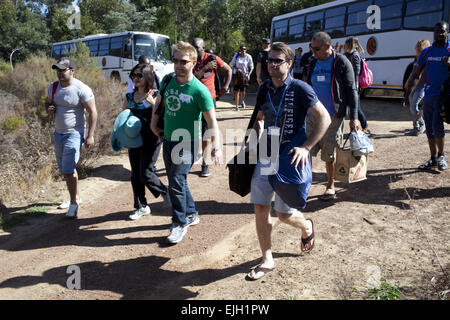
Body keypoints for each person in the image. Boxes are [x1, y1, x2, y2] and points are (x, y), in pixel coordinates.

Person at [246, 42, 331, 280]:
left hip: (290, 158)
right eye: (270, 60)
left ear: (289, 63)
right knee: (260, 208)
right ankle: (267, 259)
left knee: (284, 215)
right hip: (267, 153)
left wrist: (306, 147)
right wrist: (253, 138)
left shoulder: (301, 88)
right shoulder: (263, 89)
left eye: (278, 61)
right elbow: (260, 117)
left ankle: (306, 227)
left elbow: (324, 118)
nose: (272, 64)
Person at [150, 41, 222, 244]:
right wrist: (154, 123)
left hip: (188, 141)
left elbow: (211, 121)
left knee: (175, 180)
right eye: (175, 60)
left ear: (194, 63)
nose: (178, 65)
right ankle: (191, 213)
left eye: (183, 61)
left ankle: (179, 222)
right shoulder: (167, 80)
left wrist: (215, 146)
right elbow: (159, 100)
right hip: (168, 138)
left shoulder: (199, 90)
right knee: (179, 180)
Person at [305, 32, 360, 201]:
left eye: (316, 48)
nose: (313, 51)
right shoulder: (312, 61)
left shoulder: (341, 62)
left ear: (328, 46)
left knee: (330, 152)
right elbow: (306, 85)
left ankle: (330, 186)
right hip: (311, 114)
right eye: (311, 48)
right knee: (307, 150)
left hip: (332, 116)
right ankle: (305, 184)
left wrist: (354, 117)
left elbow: (352, 90)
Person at [45, 57, 97, 218]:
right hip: (58, 133)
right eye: (58, 70)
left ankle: (73, 205)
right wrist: (49, 109)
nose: (60, 73)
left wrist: (90, 136)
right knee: (65, 170)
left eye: (63, 70)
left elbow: (93, 112)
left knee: (67, 170)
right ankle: (75, 197)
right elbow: (47, 103)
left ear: (72, 71)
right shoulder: (53, 87)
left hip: (74, 134)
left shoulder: (81, 89)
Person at [122, 63, 170, 220]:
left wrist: (151, 103)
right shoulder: (129, 96)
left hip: (152, 138)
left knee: (145, 172)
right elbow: (123, 117)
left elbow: (165, 115)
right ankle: (141, 206)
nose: (135, 78)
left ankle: (164, 191)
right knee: (135, 174)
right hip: (134, 139)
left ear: (148, 77)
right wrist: (121, 137)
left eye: (139, 75)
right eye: (133, 75)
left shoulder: (156, 94)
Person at [406, 21, 450, 171]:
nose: (439, 34)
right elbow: (415, 74)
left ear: (447, 33)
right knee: (430, 128)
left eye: (442, 32)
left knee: (438, 126)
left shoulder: (449, 49)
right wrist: (407, 94)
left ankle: (442, 155)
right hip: (429, 95)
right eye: (436, 31)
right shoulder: (427, 52)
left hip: (443, 96)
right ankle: (433, 158)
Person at [191, 37, 232, 178]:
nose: (194, 52)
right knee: (192, 130)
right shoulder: (190, 60)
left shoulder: (213, 58)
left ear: (203, 48)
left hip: (209, 100)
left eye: (197, 49)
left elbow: (228, 70)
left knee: (206, 131)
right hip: (192, 99)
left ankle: (205, 163)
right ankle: (193, 155)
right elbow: (190, 79)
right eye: (193, 49)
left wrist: (225, 88)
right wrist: (204, 69)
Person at [344, 36, 371, 135]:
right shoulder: (348, 54)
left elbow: (357, 71)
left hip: (354, 87)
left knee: (356, 109)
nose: (344, 46)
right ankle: (355, 128)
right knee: (352, 108)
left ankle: (365, 127)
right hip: (348, 86)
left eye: (345, 44)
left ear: (349, 44)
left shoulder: (355, 55)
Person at [403, 40, 431, 135]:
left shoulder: (425, 60)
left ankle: (422, 124)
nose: (414, 48)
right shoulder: (416, 59)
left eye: (416, 46)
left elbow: (419, 75)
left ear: (420, 48)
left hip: (421, 87)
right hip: (414, 86)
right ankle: (415, 127)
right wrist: (408, 81)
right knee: (412, 107)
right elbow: (413, 72)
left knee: (413, 107)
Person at [231, 45, 254, 111]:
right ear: (240, 50)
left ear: (246, 50)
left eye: (244, 49)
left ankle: (243, 101)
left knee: (243, 91)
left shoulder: (248, 56)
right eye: (242, 49)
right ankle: (236, 106)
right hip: (237, 75)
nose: (243, 51)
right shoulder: (236, 56)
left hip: (245, 76)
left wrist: (249, 74)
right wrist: (237, 69)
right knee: (237, 91)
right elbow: (232, 65)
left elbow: (251, 67)